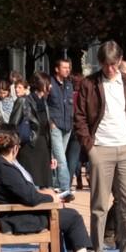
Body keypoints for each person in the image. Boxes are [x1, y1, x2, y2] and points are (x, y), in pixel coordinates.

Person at [0, 126, 107, 252]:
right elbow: (29, 197)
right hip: (14, 219)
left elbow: (25, 193)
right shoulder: (4, 169)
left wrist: (48, 194)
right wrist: (52, 199)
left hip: (11, 215)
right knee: (73, 217)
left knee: (68, 216)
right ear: (15, 148)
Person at [74, 40, 126, 252]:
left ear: (120, 61)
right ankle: (97, 250)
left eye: (114, 64)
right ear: (100, 62)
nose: (110, 69)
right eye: (106, 65)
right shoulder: (89, 84)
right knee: (99, 204)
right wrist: (90, 148)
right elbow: (80, 118)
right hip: (101, 148)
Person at [15, 72, 56, 187]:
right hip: (29, 147)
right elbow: (13, 126)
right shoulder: (23, 101)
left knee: (45, 185)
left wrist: (51, 155)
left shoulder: (44, 102)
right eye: (48, 83)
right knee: (31, 184)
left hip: (43, 147)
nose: (50, 86)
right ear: (41, 84)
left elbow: (46, 129)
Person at [47, 57, 79, 195]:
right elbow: (45, 104)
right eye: (64, 67)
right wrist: (50, 122)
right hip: (55, 125)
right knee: (61, 158)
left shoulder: (68, 84)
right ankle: (65, 187)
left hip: (67, 125)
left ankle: (55, 184)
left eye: (68, 67)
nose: (67, 70)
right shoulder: (50, 83)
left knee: (57, 157)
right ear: (57, 69)